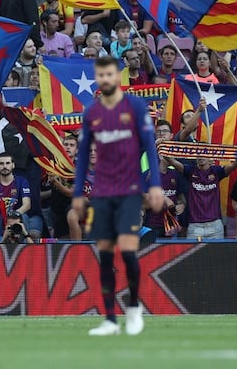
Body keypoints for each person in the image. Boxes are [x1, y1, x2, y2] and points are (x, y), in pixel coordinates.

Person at [73, 55, 162, 336]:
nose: (106, 79)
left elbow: (149, 145)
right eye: (101, 75)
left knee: (127, 251)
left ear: (118, 76)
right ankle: (110, 319)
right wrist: (77, 193)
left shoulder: (135, 106)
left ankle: (134, 309)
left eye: (111, 74)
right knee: (106, 256)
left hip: (129, 191)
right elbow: (84, 154)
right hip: (101, 193)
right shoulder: (91, 113)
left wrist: (156, 185)